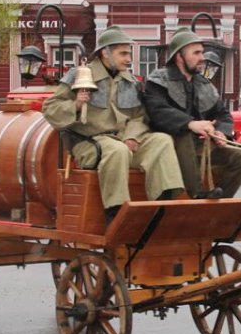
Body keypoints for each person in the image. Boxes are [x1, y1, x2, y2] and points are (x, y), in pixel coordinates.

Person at [41, 26, 184, 223]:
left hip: (124, 141)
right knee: (117, 150)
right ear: (105, 53)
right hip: (89, 144)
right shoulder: (81, 75)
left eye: (129, 53)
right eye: (123, 53)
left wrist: (132, 136)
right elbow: (50, 108)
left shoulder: (130, 81)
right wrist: (75, 104)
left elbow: (139, 116)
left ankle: (162, 205)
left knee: (161, 140)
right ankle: (116, 211)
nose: (128, 59)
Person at [142, 28, 241, 199]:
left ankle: (221, 202)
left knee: (239, 157)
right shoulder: (158, 80)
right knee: (183, 135)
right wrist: (191, 124)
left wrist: (222, 132)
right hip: (169, 147)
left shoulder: (204, 84)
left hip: (199, 147)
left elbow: (223, 114)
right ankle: (197, 194)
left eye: (202, 52)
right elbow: (157, 112)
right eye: (196, 53)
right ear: (179, 57)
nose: (202, 58)